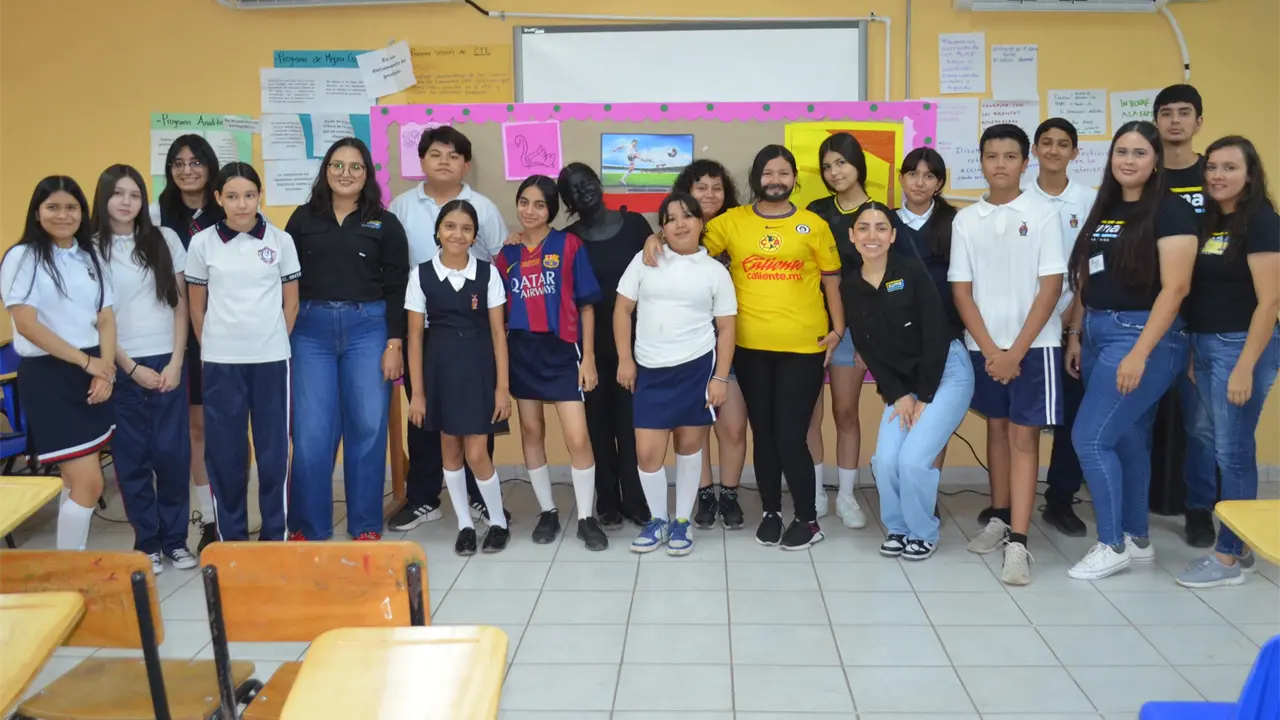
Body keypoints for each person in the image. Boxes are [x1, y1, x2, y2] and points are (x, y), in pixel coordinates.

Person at [645, 145, 845, 550]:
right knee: (766, 434)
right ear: (756, 179)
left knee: (791, 434)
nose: (776, 180)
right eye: (768, 173)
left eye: (784, 173)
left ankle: (807, 519)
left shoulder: (813, 224)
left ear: (794, 179)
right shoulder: (733, 222)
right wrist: (654, 238)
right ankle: (772, 511)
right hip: (750, 347)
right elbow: (686, 236)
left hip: (803, 347)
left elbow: (832, 282)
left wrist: (838, 330)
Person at [1063, 121, 1199, 581]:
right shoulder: (1108, 207)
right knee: (1128, 438)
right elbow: (1089, 276)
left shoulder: (1172, 211)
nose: (1128, 160)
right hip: (1100, 330)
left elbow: (1176, 287)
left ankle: (1111, 543)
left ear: (1156, 159)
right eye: (1121, 151)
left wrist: (1140, 352)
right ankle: (1137, 538)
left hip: (1141, 336)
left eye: (1139, 153)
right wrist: (1077, 332)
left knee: (1090, 438)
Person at [952, 124, 1066, 586]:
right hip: (985, 346)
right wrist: (990, 349)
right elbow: (962, 289)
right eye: (991, 156)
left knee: (1024, 438)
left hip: (1034, 348)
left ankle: (1018, 542)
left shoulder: (1043, 213)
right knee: (996, 430)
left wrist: (1014, 350)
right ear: (980, 161)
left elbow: (1051, 285)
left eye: (1010, 156)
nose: (1000, 164)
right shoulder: (966, 219)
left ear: (1026, 161)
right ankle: (999, 517)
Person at [285, 138, 409, 542]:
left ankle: (365, 525)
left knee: (369, 428)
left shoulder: (384, 223)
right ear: (325, 171)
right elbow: (285, 284)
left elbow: (397, 287)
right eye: (337, 165)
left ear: (367, 174)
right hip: (310, 331)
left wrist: (395, 343)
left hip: (368, 330)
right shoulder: (302, 220)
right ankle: (309, 524)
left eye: (355, 167)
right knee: (310, 433)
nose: (345, 174)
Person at [388, 127, 506, 531]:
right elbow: (394, 269)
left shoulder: (484, 208)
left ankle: (478, 496)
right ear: (421, 160)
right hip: (425, 328)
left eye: (453, 155)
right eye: (434, 153)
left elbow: (499, 258)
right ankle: (423, 498)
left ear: (466, 165)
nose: (443, 161)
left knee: (475, 426)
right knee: (424, 418)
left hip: (473, 335)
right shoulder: (400, 207)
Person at [1175, 136, 1280, 588]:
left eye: (1229, 168)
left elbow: (1270, 300)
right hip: (1204, 344)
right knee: (1210, 437)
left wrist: (1244, 365)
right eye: (1212, 167)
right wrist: (1197, 352)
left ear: (1250, 174)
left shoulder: (1261, 222)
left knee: (1232, 452)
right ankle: (1237, 547)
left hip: (1241, 346)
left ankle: (1228, 557)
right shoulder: (1212, 220)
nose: (1217, 175)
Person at [846, 202, 974, 560]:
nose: (872, 235)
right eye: (864, 228)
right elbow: (868, 346)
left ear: (893, 236)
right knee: (885, 460)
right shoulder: (852, 286)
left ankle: (922, 532)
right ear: (852, 236)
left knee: (915, 460)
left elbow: (935, 335)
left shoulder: (911, 272)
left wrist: (925, 397)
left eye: (881, 228)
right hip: (904, 385)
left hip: (945, 375)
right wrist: (899, 394)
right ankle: (898, 529)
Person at [805, 133, 920, 528]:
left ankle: (848, 495)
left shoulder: (881, 215)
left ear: (858, 165)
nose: (833, 172)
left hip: (858, 332)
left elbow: (891, 280)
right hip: (810, 328)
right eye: (827, 165)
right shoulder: (815, 212)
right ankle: (816, 491)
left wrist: (870, 339)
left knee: (844, 411)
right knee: (809, 413)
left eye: (841, 162)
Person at [617, 192, 736, 556]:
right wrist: (625, 358)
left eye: (688, 216)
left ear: (701, 222)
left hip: (696, 370)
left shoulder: (715, 271)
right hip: (650, 371)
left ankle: (682, 522)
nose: (680, 224)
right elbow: (622, 311)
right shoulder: (646, 259)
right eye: (671, 219)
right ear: (662, 228)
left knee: (689, 448)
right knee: (647, 454)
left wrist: (719, 378)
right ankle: (657, 520)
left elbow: (728, 329)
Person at [185, 162, 300, 542]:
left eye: (249, 195)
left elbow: (292, 305)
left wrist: (270, 340)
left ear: (259, 196)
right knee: (225, 454)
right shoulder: (202, 244)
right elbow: (196, 306)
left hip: (270, 361)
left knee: (272, 453)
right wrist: (214, 344)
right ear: (218, 198)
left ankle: (274, 534)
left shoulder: (280, 241)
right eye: (232, 196)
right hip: (221, 363)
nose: (241, 204)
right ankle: (230, 536)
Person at [1, 176, 115, 551]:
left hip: (92, 372)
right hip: (50, 377)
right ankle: (69, 572)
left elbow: (106, 317)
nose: (63, 215)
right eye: (53, 207)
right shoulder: (23, 257)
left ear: (83, 213)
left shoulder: (89, 255)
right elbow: (27, 326)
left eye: (71, 207)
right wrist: (88, 363)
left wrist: (106, 368)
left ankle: (69, 565)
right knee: (89, 484)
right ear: (37, 212)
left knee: (75, 481)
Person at [495, 174, 608, 550]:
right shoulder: (506, 254)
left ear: (552, 210)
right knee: (531, 432)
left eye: (540, 204)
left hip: (563, 352)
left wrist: (588, 357)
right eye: (524, 202)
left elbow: (587, 306)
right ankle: (548, 511)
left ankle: (588, 517)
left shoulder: (569, 244)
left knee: (578, 436)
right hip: (522, 352)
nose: (530, 210)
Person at [92, 165, 195, 572]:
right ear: (104, 199)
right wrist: (130, 368)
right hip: (120, 366)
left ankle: (175, 541)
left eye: (134, 195)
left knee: (173, 455)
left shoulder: (165, 238)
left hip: (168, 360)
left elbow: (181, 305)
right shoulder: (92, 248)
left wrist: (175, 360)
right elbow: (99, 318)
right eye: (118, 194)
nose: (126, 202)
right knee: (133, 458)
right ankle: (146, 542)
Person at [405, 199, 512, 556]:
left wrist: (502, 387)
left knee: (477, 452)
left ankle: (497, 521)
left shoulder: (487, 273)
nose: (457, 234)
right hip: (440, 369)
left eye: (466, 228)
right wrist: (417, 394)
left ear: (474, 236)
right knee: (449, 449)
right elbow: (415, 337)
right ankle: (465, 524)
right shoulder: (420, 274)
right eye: (450, 226)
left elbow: (499, 333)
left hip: (479, 368)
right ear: (438, 231)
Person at [559, 162, 653, 527]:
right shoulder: (569, 240)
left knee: (631, 426)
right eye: (573, 191)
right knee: (598, 427)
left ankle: (635, 499)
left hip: (635, 345)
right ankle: (607, 501)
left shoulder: (635, 226)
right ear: (567, 201)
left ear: (598, 183)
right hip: (589, 350)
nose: (583, 192)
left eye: (586, 184)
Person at [1153, 84, 1218, 549]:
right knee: (1140, 419)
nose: (1175, 121)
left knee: (1201, 424)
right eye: (1166, 113)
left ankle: (1200, 510)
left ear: (1198, 121)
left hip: (1205, 320)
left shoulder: (1212, 176)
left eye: (1184, 113)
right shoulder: (1145, 177)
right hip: (1149, 321)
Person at [1027, 118, 1099, 537]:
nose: (1053, 150)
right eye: (1046, 143)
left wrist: (1074, 326)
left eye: (1063, 144)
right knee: (1024, 416)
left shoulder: (1089, 200)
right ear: (1034, 151)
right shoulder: (1019, 199)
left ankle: (1059, 499)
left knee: (1072, 415)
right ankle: (1007, 501)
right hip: (1027, 328)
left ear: (1075, 153)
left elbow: (1090, 270)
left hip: (1072, 324)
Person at [152, 134, 223, 552]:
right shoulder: (158, 217)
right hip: (178, 337)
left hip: (227, 333)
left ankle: (228, 511)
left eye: (195, 162)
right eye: (178, 163)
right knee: (194, 428)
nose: (187, 170)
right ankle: (209, 519)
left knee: (224, 428)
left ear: (209, 166)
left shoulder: (230, 208)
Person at [669, 160, 748, 531]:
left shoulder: (740, 228)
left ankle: (729, 493)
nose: (709, 194)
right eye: (701, 187)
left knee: (731, 427)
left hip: (733, 344)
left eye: (717, 187)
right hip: (689, 347)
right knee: (694, 427)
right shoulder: (674, 236)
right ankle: (703, 493)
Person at [897, 148, 964, 486]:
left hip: (945, 336)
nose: (919, 182)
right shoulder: (886, 223)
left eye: (928, 176)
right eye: (912, 174)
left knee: (933, 420)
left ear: (939, 183)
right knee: (907, 415)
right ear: (901, 178)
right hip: (901, 341)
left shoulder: (957, 222)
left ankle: (928, 491)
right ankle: (909, 487)